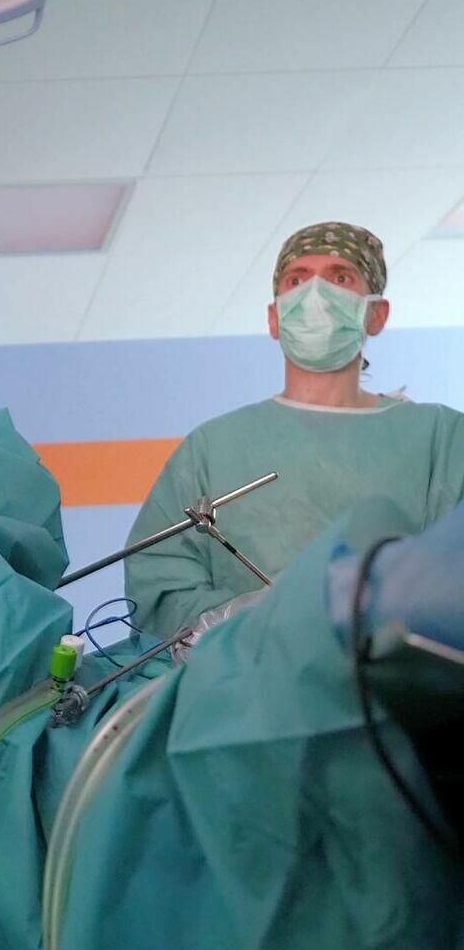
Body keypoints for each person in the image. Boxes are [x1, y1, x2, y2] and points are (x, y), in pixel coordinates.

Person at [124, 222, 464, 640]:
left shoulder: (441, 439)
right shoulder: (212, 449)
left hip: (402, 675)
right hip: (244, 674)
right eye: (297, 280)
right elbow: (160, 590)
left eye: (340, 277)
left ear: (376, 314)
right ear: (274, 318)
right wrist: (242, 626)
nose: (315, 294)